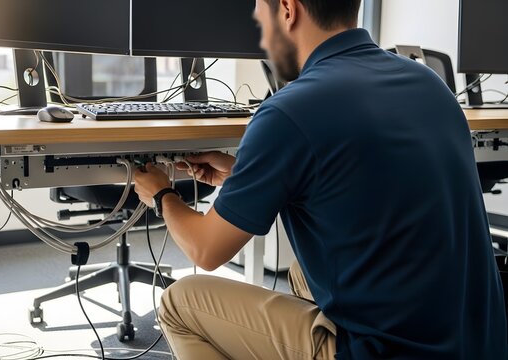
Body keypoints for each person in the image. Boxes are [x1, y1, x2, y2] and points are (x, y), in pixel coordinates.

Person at [133, 0, 508, 358]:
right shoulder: (428, 83)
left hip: (390, 352)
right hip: (477, 345)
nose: (259, 26)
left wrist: (162, 194)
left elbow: (206, 250)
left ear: (287, 9)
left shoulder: (290, 110)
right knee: (302, 274)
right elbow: (366, 174)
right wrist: (247, 172)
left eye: (260, 11)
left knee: (180, 303)